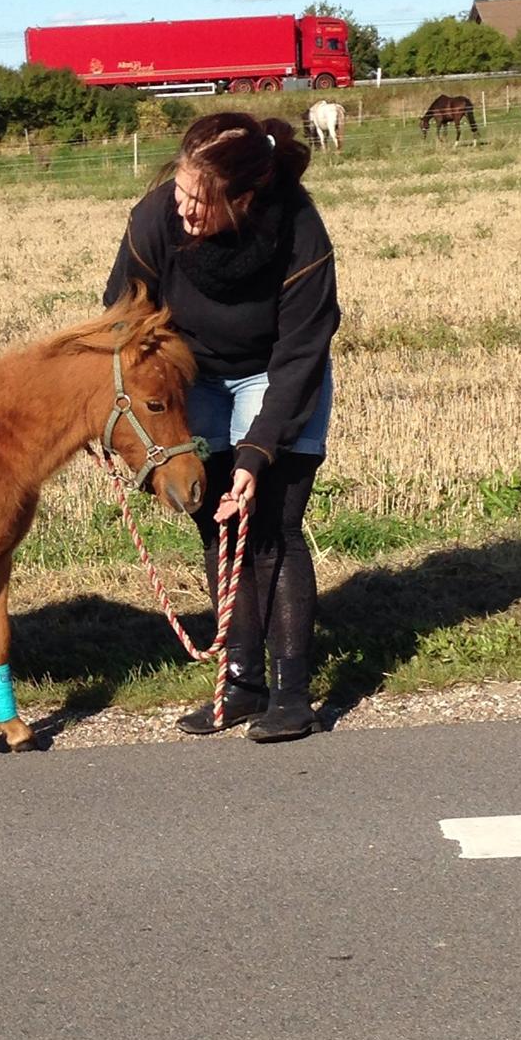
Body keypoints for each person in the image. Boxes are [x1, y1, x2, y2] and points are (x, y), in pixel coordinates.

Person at [103, 111, 340, 742]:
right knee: (216, 518)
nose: (182, 208)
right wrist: (119, 414)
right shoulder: (155, 217)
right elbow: (123, 319)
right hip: (195, 378)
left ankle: (291, 695)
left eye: (198, 201)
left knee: (274, 527)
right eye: (178, 189)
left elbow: (300, 357)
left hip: (277, 374)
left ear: (243, 199)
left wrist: (258, 452)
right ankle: (239, 682)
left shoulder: (300, 232)